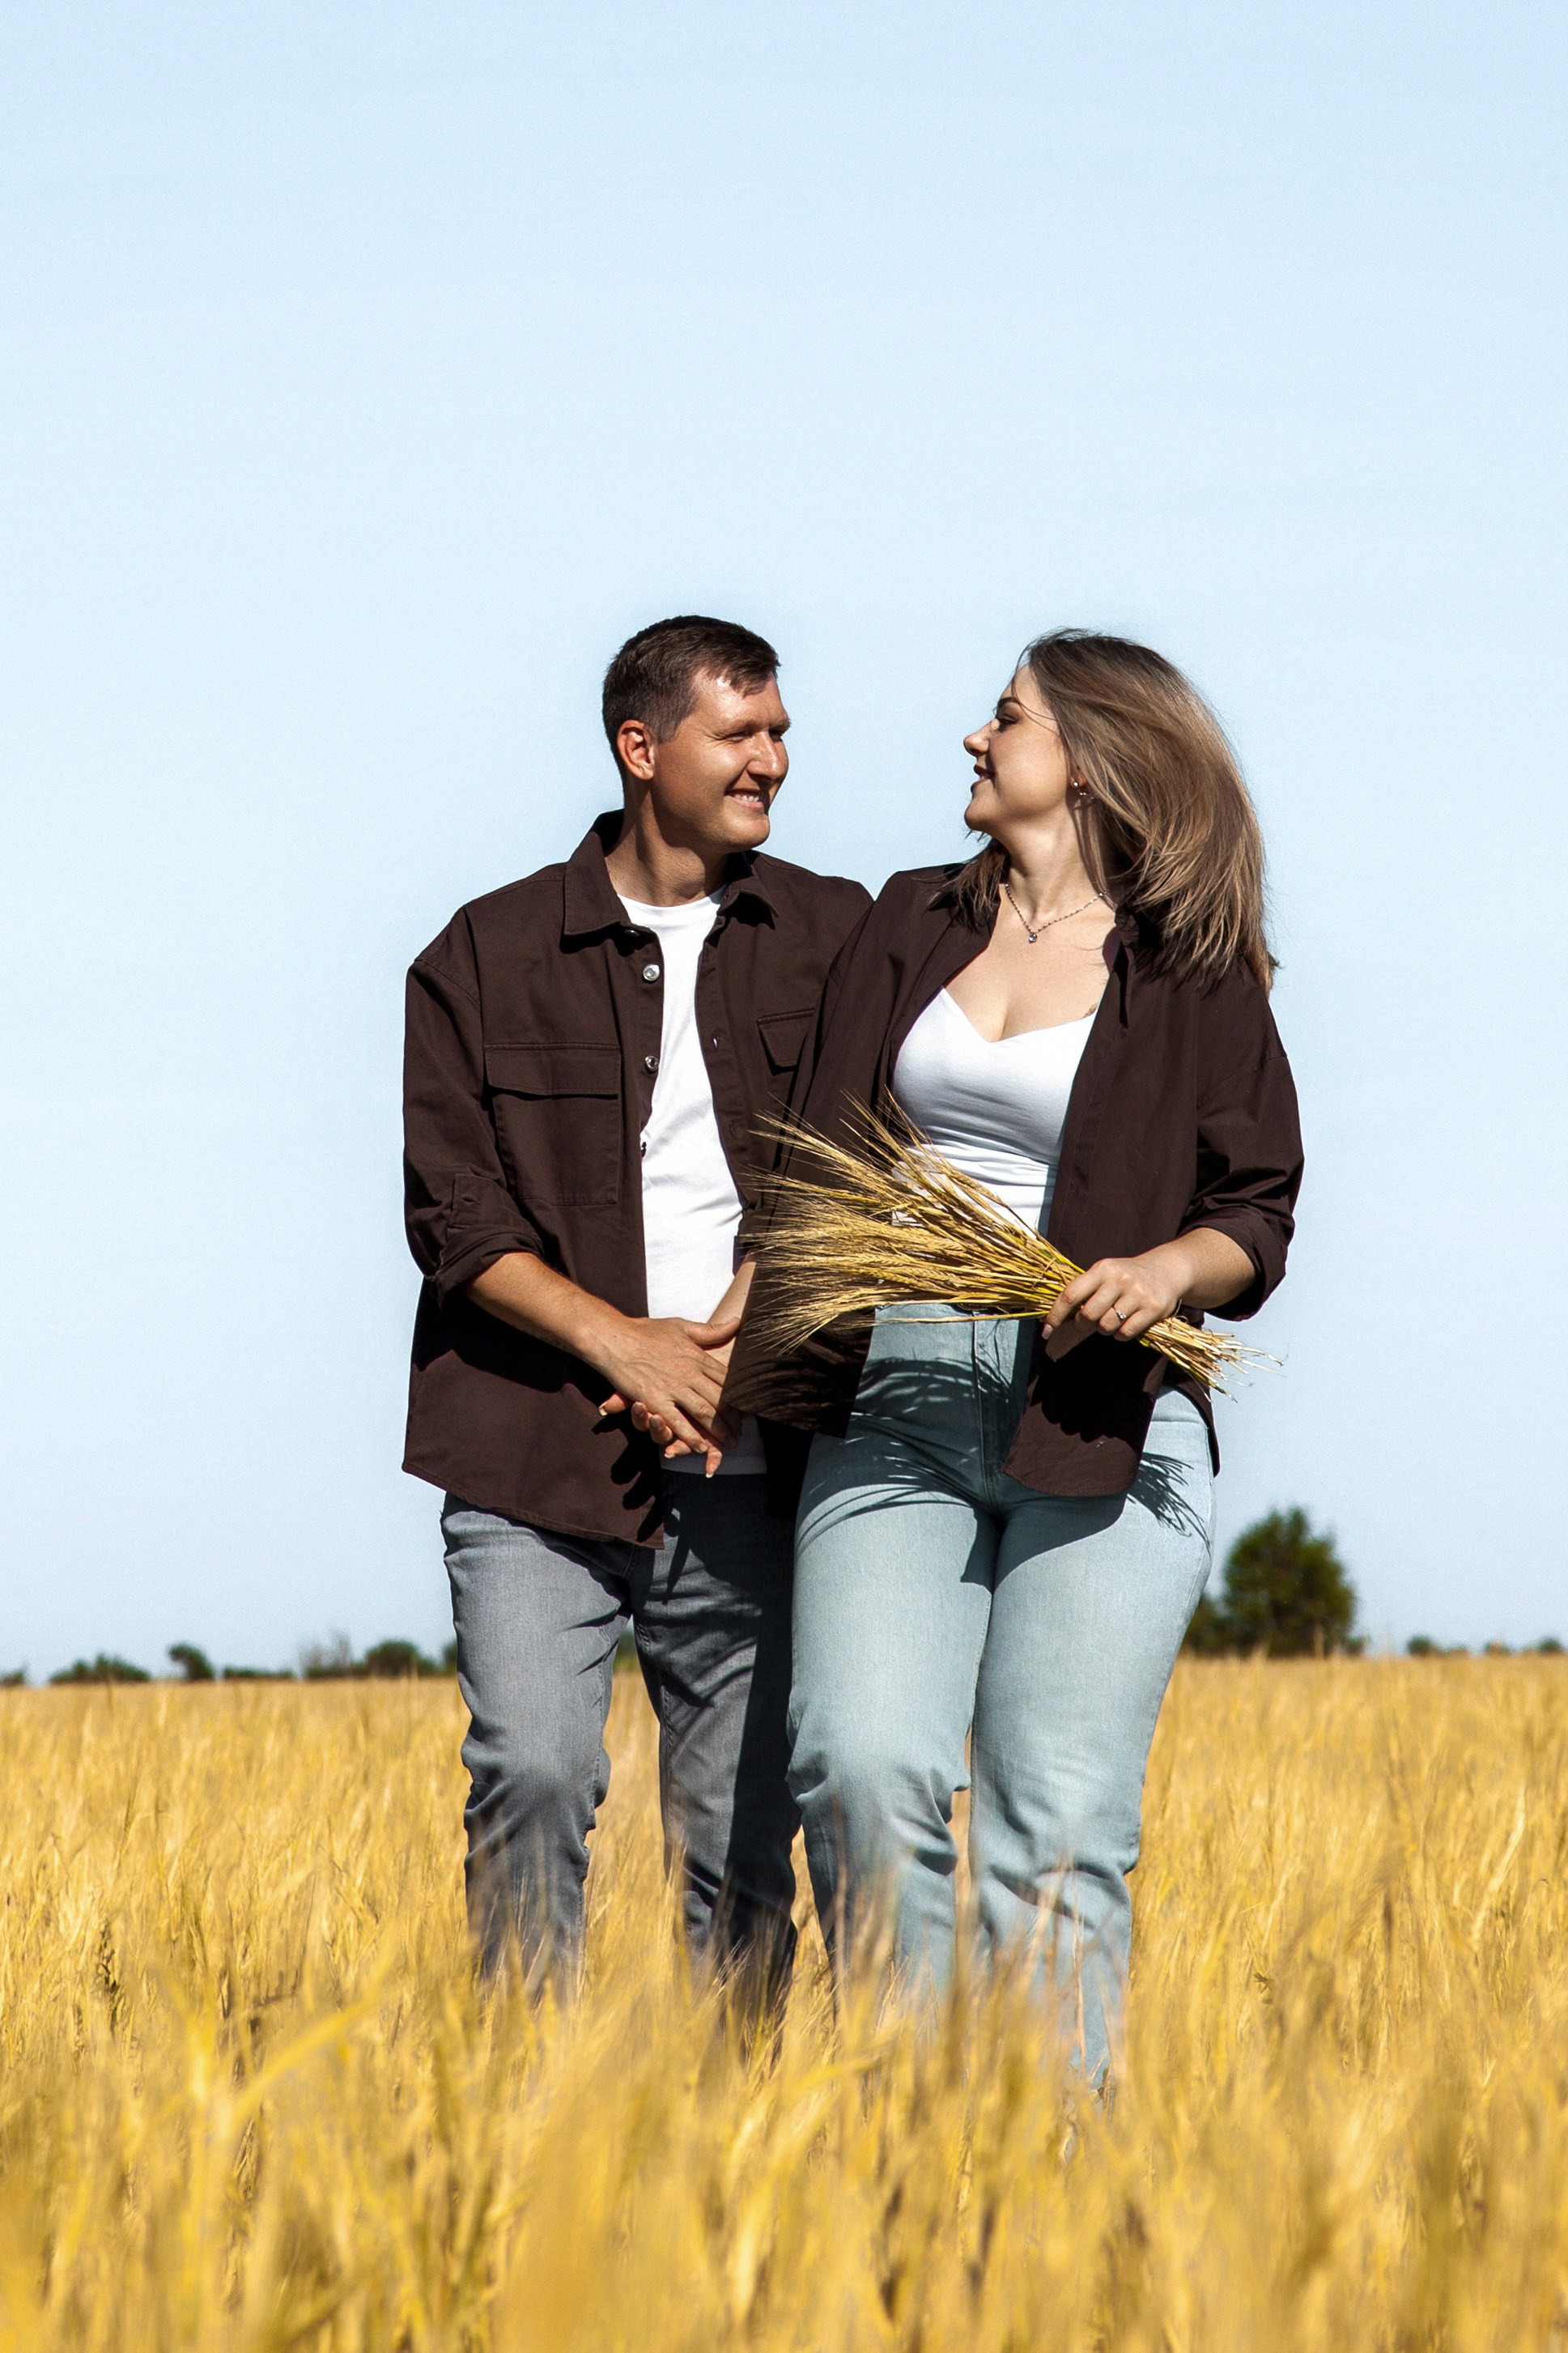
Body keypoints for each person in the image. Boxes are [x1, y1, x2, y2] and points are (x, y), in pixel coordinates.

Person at [725, 629, 1303, 2080]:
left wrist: (1163, 1269)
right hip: (896, 1391)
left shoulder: (1192, 970)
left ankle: (1042, 2212)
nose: (974, 740)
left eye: (1005, 717)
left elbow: (1255, 1207)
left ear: (1093, 759)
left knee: (1051, 1827)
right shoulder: (908, 919)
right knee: (855, 1768)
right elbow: (819, 1147)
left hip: (1103, 1413)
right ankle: (913, 2141)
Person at [402, 615, 869, 1998]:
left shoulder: (840, 935)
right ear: (641, 745)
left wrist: (750, 1326)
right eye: (742, 732)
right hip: (534, 1452)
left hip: (753, 1449)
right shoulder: (480, 954)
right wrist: (623, 1341)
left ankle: (731, 2156)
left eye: (779, 731)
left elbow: (881, 1150)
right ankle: (517, 2133)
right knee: (532, 1774)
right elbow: (454, 1215)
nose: (771, 760)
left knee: (738, 1836)